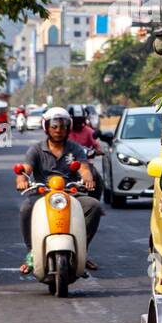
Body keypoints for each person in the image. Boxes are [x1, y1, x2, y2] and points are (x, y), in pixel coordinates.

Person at [17, 107, 103, 274]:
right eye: (54, 126)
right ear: (46, 127)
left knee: (94, 205)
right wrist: (21, 180)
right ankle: (32, 254)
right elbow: (25, 169)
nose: (58, 130)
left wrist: (88, 178)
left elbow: (84, 168)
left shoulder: (75, 149)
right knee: (26, 208)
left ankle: (81, 252)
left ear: (68, 128)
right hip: (42, 193)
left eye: (62, 126)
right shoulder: (36, 149)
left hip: (71, 193)